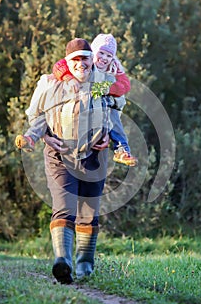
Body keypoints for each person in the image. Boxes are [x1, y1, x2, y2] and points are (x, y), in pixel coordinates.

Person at [21, 38, 112, 284]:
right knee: (64, 206)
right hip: (59, 156)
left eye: (85, 58)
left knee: (89, 213)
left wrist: (107, 134)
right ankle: (63, 262)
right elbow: (34, 115)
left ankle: (84, 268)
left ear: (91, 59)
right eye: (75, 59)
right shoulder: (49, 84)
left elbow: (113, 111)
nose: (81, 63)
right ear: (67, 61)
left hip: (94, 156)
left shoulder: (103, 81)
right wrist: (47, 138)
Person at [15, 34, 137, 166]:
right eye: (101, 53)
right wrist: (68, 78)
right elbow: (59, 66)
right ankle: (31, 137)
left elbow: (124, 89)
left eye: (109, 56)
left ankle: (121, 149)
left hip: (93, 140)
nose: (104, 58)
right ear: (92, 53)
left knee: (110, 111)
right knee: (50, 109)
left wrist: (108, 90)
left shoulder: (111, 73)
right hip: (63, 139)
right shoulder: (75, 65)